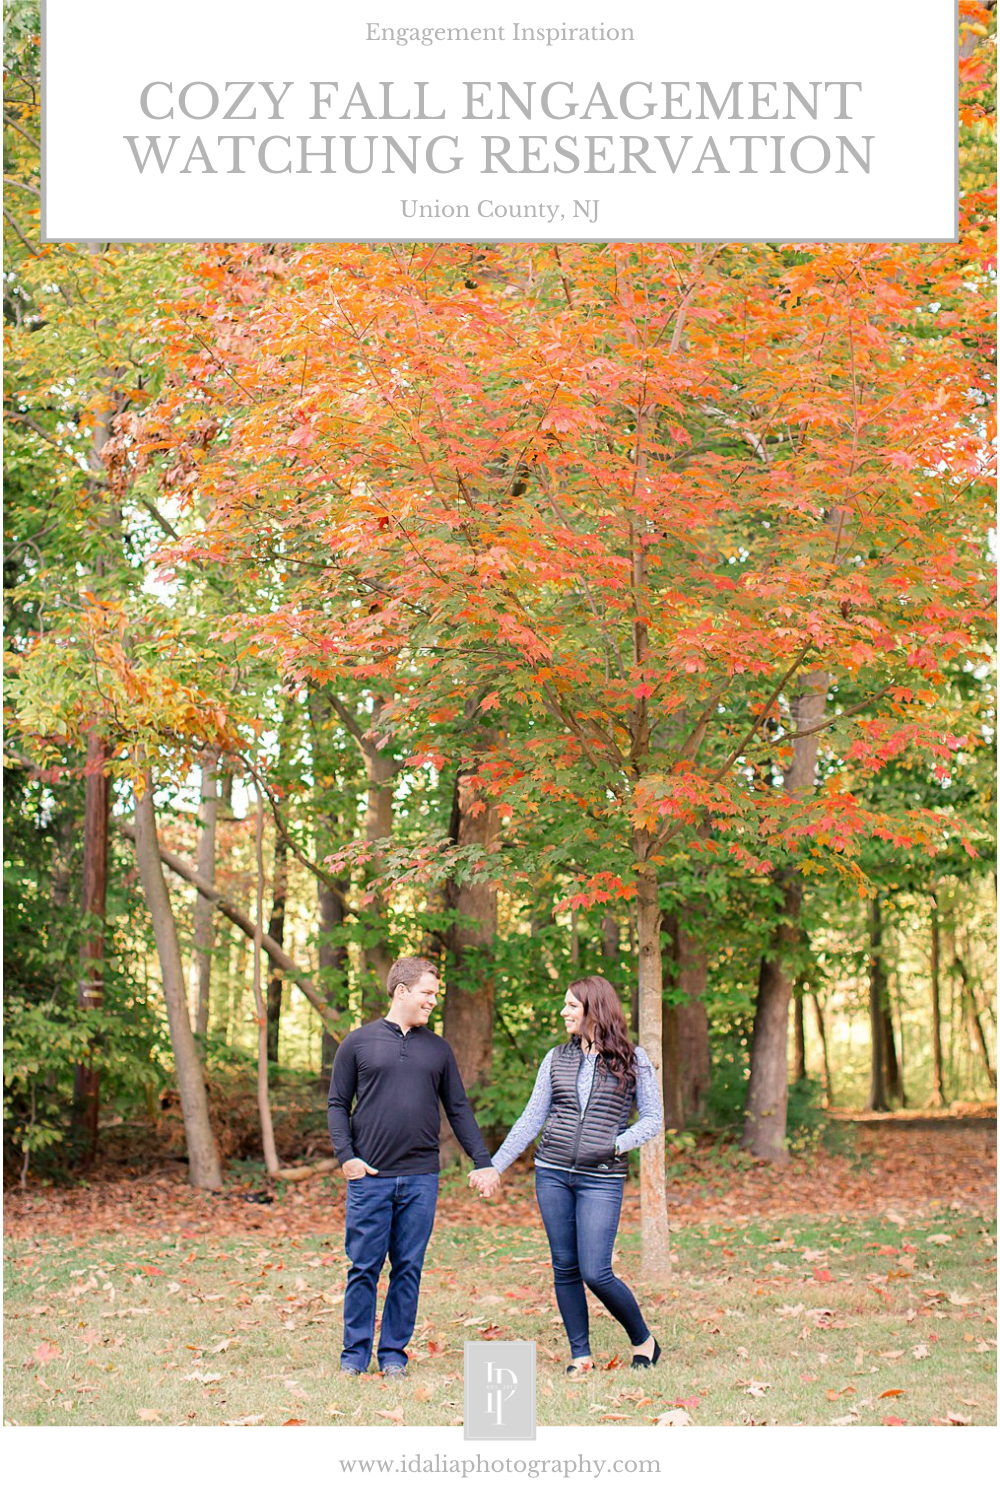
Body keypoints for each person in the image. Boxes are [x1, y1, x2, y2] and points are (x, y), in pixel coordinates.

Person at [470, 976, 663, 1375]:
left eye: (571, 1006)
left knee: (596, 1270)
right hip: (552, 1174)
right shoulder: (556, 1057)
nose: (564, 1013)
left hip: (602, 1177)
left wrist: (613, 1145)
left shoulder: (634, 1059)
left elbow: (654, 1120)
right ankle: (581, 1356)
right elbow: (530, 1119)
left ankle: (644, 1340)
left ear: (594, 1008)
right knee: (565, 1266)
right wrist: (494, 1167)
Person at [327, 954, 494, 1377]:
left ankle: (393, 1355)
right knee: (363, 1267)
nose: (433, 1001)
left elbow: (458, 1109)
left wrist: (484, 1161)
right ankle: (354, 1357)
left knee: (407, 1268)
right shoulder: (358, 1043)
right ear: (401, 991)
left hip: (421, 1178)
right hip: (371, 1178)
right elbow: (336, 1104)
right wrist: (347, 1159)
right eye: (427, 993)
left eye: (435, 994)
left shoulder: (437, 1049)